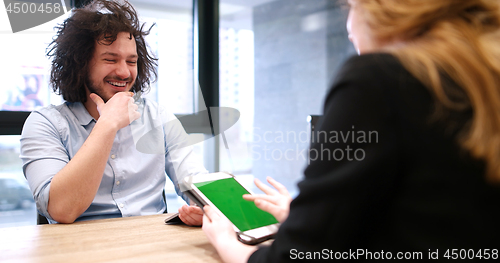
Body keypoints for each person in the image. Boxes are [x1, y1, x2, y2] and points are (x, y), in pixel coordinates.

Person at [202, 0, 500, 262]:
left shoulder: (377, 81)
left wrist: (225, 241)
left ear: (379, 10)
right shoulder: (483, 85)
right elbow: (432, 221)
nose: (350, 30)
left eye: (350, 6)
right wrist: (311, 216)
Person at [20, 0, 206, 225]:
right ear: (80, 63)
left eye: (132, 61)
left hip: (151, 242)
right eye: (110, 59)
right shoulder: (45, 123)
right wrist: (107, 124)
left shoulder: (157, 116)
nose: (124, 72)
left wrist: (205, 208)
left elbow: (197, 181)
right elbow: (61, 209)